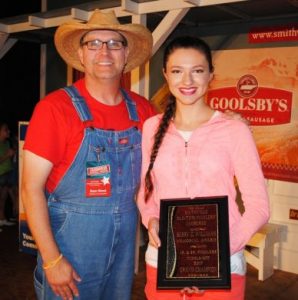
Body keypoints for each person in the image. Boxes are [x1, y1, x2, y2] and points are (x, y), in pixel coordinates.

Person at [21, 9, 155, 300]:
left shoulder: (145, 111)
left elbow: (184, 143)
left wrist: (227, 121)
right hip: (70, 247)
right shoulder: (54, 109)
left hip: (124, 252)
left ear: (125, 53)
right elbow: (30, 189)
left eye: (114, 43)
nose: (104, 51)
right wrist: (52, 259)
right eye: (93, 43)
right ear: (81, 55)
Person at [137, 36, 270, 300]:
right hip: (164, 261)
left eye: (197, 71)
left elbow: (259, 207)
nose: (187, 81)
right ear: (165, 74)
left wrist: (212, 258)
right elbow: (146, 192)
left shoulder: (234, 130)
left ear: (211, 75)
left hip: (223, 265)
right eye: (177, 71)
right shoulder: (152, 127)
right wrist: (150, 218)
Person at [0, 122, 16, 231]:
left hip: (7, 174)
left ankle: (2, 219)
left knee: (3, 199)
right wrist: (7, 155)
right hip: (0, 174)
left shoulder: (6, 143)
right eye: (6, 129)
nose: (8, 131)